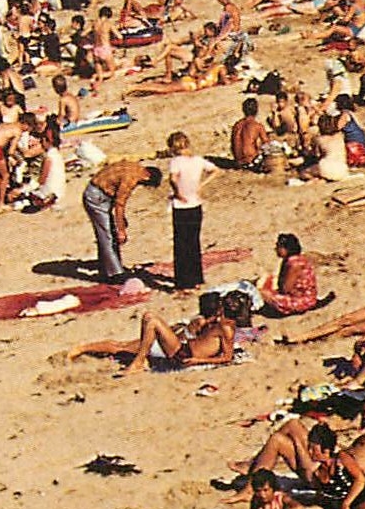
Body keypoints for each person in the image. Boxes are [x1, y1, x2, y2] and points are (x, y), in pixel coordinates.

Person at [66, 288, 247, 377]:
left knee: (150, 319)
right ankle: (81, 349)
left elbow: (227, 357)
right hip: (181, 346)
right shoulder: (219, 323)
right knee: (122, 346)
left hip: (182, 353)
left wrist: (198, 360)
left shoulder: (226, 328)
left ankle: (138, 361)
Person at [82, 158, 163, 284]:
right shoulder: (131, 179)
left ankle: (107, 268)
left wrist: (120, 222)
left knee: (107, 232)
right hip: (96, 197)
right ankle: (115, 274)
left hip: (99, 193)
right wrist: (121, 231)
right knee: (107, 234)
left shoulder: (134, 167)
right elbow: (119, 205)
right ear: (147, 177)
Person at [166, 129, 215, 290]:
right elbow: (215, 170)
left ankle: (183, 281)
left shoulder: (176, 162)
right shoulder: (198, 160)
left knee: (181, 244)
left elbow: (173, 179)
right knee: (194, 242)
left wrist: (177, 193)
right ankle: (196, 279)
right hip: (196, 203)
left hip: (181, 206)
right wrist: (201, 185)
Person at [258, 233, 321, 317]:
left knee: (262, 294)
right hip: (303, 296)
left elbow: (286, 288)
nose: (276, 249)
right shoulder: (295, 259)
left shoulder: (294, 264)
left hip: (302, 300)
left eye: (279, 247)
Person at [230, 97, 268, 171]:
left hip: (238, 163)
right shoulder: (257, 126)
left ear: (243, 110)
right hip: (251, 162)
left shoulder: (237, 125)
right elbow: (267, 144)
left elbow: (232, 144)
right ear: (256, 110)